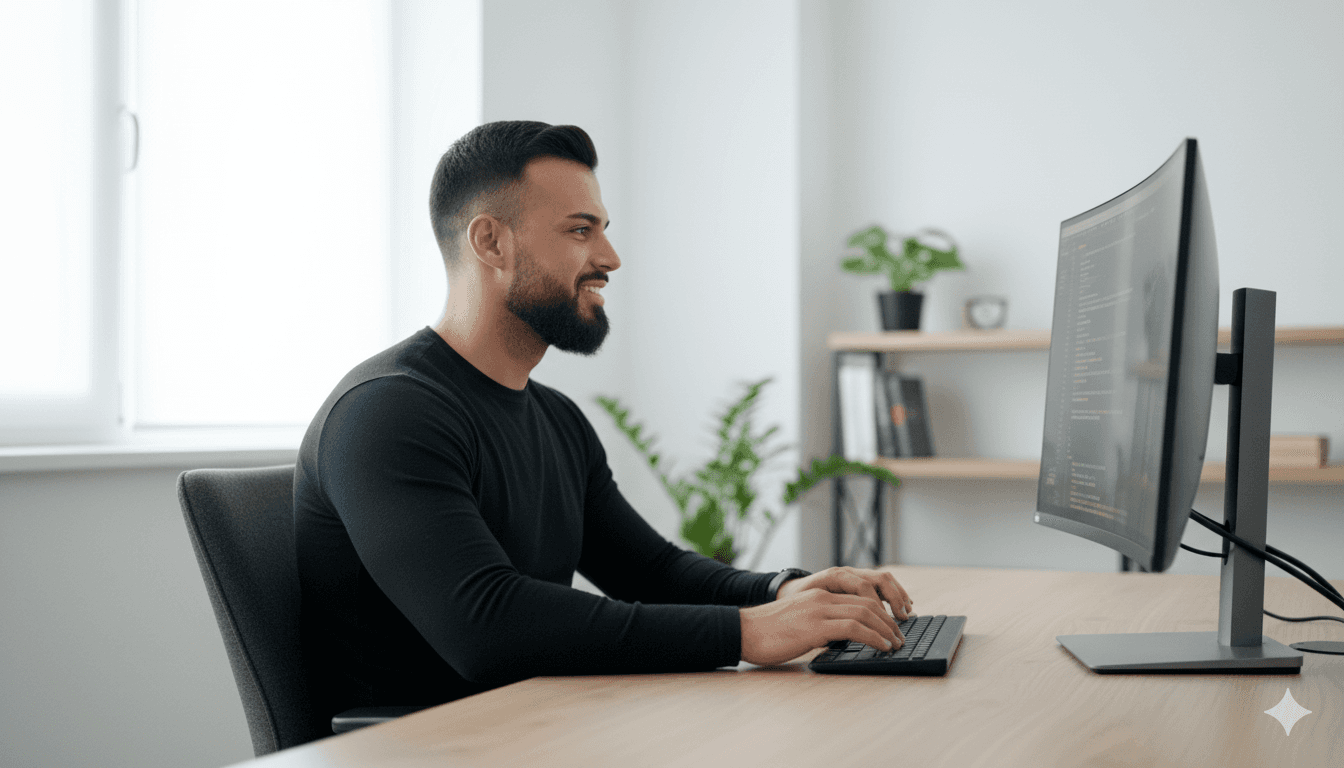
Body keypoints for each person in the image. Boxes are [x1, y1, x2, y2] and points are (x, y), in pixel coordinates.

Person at [293, 120, 914, 723]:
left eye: (603, 230)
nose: (610, 257)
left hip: (537, 728)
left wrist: (783, 594)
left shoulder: (556, 419)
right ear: (490, 242)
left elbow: (651, 572)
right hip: (430, 748)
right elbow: (486, 624)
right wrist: (747, 632)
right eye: (580, 230)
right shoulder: (387, 413)